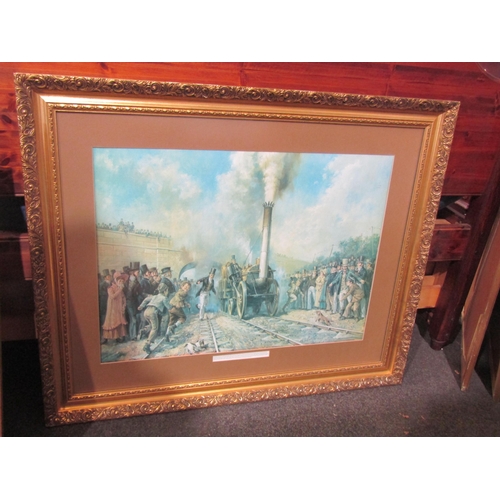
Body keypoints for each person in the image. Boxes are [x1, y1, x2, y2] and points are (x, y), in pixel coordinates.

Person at [138, 282, 171, 354]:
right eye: (167, 290)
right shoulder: (164, 298)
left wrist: (141, 306)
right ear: (165, 291)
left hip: (146, 311)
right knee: (155, 328)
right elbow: (169, 307)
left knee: (152, 325)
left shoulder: (155, 296)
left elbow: (146, 299)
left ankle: (144, 330)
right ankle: (147, 345)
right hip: (153, 312)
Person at [102, 271, 128, 343]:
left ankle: (118, 337)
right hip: (112, 308)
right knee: (111, 322)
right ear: (116, 280)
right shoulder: (110, 288)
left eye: (122, 281)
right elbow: (112, 296)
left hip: (118, 308)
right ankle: (106, 338)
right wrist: (120, 289)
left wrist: (123, 306)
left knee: (119, 321)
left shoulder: (120, 289)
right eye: (120, 281)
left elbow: (123, 298)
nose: (121, 282)